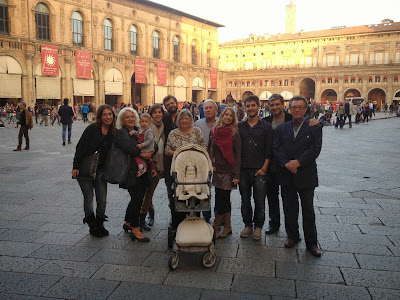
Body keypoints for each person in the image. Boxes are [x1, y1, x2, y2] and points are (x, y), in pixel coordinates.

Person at [273, 95, 323, 257]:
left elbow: (315, 149)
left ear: (306, 109)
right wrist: (287, 163)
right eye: (294, 107)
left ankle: (312, 242)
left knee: (308, 210)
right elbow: (276, 149)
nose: (296, 109)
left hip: (305, 174)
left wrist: (298, 162)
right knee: (289, 208)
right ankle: (292, 236)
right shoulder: (282, 128)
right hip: (287, 174)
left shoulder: (314, 126)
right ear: (289, 108)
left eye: (300, 107)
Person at [72, 105, 116, 237]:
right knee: (89, 197)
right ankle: (92, 225)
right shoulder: (92, 129)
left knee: (102, 199)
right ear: (100, 117)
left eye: (110, 114)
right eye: (105, 114)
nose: (108, 117)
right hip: (85, 168)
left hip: (101, 170)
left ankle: (100, 223)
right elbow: (80, 147)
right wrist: (75, 167)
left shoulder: (114, 132)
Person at [238, 95, 273, 241]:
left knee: (259, 200)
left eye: (254, 105)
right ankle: (248, 225)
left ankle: (258, 226)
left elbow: (269, 150)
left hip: (260, 170)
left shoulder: (266, 127)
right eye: (248, 105)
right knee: (245, 200)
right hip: (243, 169)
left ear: (259, 107)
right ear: (245, 108)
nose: (251, 108)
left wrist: (264, 168)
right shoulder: (240, 126)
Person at [165, 109, 206, 229]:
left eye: (187, 118)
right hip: (179, 168)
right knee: (178, 197)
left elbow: (203, 146)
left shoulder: (197, 132)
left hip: (195, 169)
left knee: (196, 196)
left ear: (191, 120)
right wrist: (182, 153)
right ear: (178, 120)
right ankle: (178, 224)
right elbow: (167, 150)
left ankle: (195, 222)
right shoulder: (173, 133)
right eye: (181, 118)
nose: (184, 121)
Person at [115, 107, 150, 242]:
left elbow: (153, 143)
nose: (130, 119)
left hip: (140, 170)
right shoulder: (122, 133)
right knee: (137, 199)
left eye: (132, 116)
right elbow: (129, 148)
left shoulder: (138, 131)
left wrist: (150, 151)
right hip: (130, 171)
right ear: (122, 119)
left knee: (136, 197)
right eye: (127, 117)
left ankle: (128, 222)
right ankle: (135, 228)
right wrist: (144, 153)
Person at [211, 107, 241, 238]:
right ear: (222, 116)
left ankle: (219, 226)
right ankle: (225, 226)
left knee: (225, 198)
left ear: (233, 118)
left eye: (231, 116)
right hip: (218, 170)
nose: (228, 117)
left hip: (229, 171)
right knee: (218, 198)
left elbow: (238, 155)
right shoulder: (215, 130)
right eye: (226, 115)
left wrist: (236, 175)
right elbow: (211, 148)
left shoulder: (234, 133)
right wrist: (212, 162)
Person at [140, 104, 166, 228]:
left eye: (159, 112)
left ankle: (145, 215)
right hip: (149, 163)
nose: (157, 114)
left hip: (160, 164)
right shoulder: (147, 127)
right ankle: (146, 214)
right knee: (147, 191)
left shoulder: (165, 126)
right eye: (155, 112)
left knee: (149, 192)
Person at [194, 99, 219, 222]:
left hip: (219, 162)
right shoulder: (198, 124)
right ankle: (206, 215)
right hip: (202, 161)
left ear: (216, 110)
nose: (208, 110)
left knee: (219, 191)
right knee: (203, 188)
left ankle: (219, 217)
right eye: (206, 108)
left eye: (210, 107)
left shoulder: (221, 122)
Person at [162, 95, 179, 227]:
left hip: (185, 160)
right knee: (171, 190)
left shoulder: (185, 115)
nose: (170, 105)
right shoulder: (165, 118)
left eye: (172, 103)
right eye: (168, 104)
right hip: (169, 159)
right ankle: (174, 217)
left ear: (176, 103)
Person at [130, 112, 157, 178]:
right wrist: (133, 132)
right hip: (144, 148)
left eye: (146, 122)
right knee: (148, 160)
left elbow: (150, 140)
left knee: (138, 157)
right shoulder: (140, 129)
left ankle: (141, 168)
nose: (144, 123)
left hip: (147, 148)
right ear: (139, 122)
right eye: (142, 121)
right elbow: (138, 134)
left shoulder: (149, 131)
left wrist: (142, 145)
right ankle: (153, 170)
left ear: (149, 123)